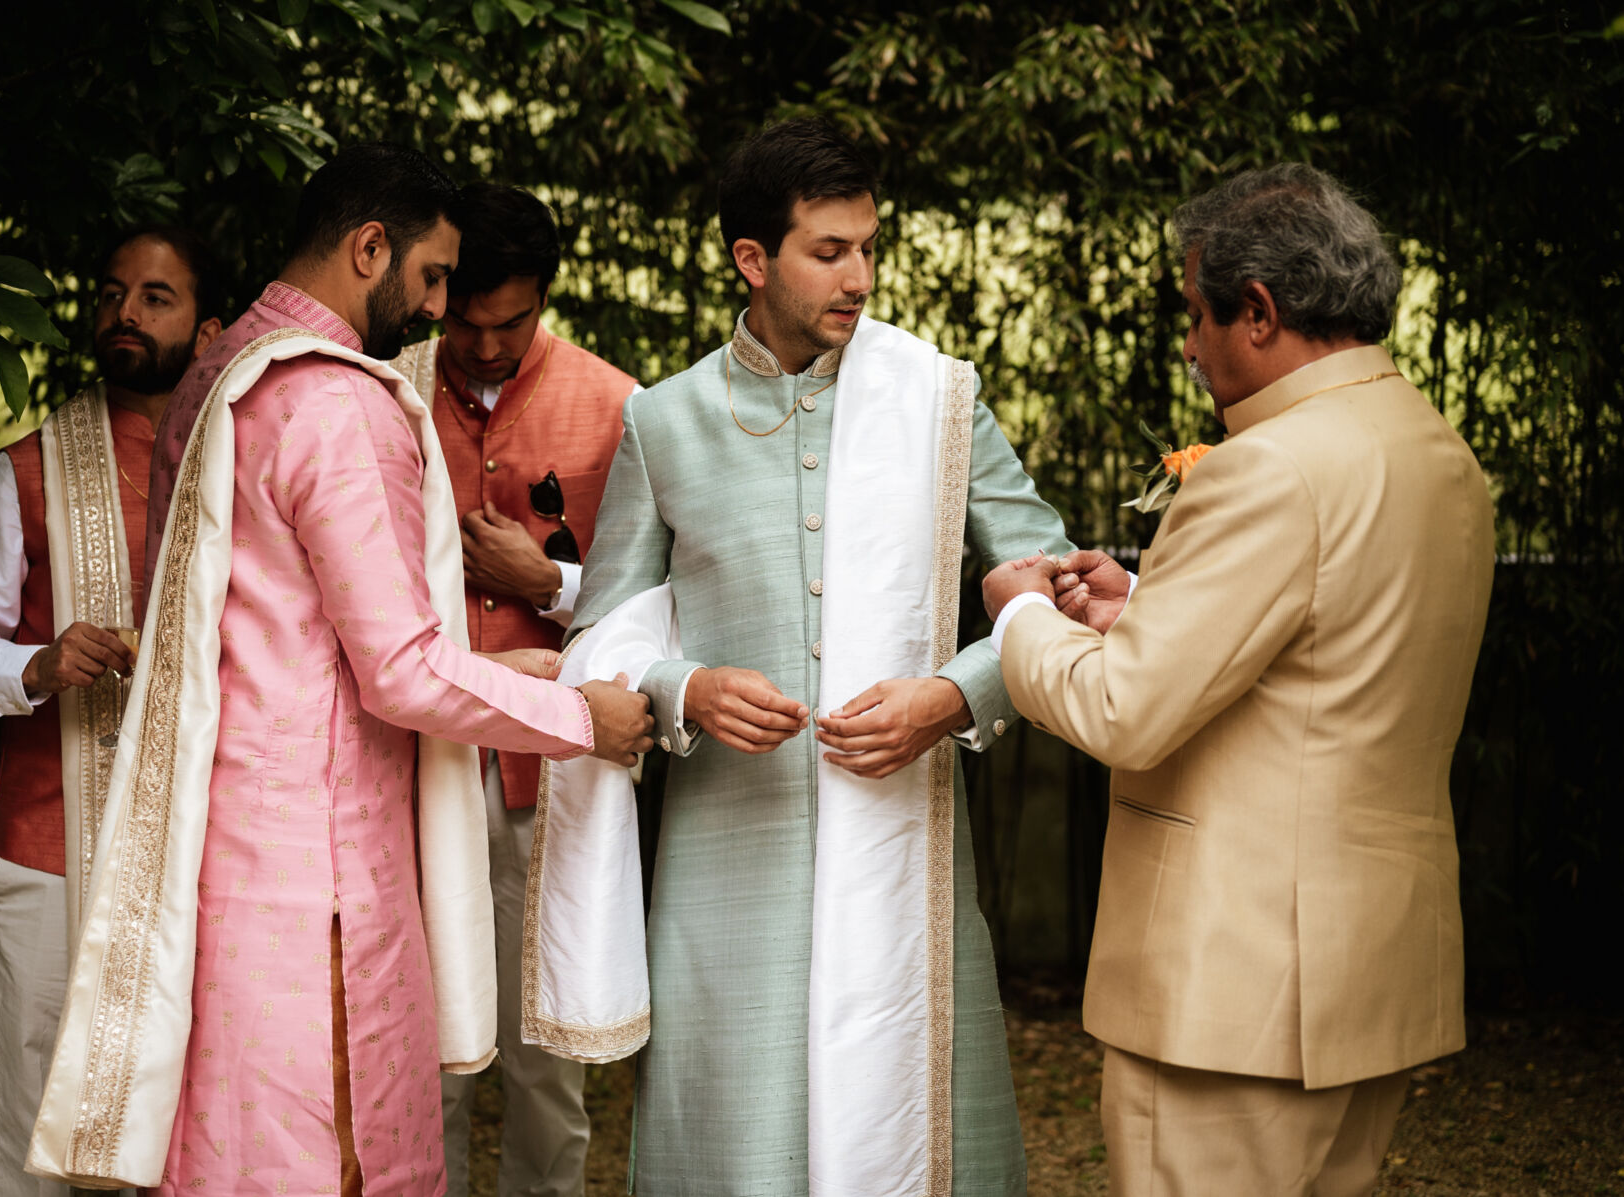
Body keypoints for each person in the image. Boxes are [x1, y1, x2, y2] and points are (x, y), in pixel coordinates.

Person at [26, 144, 653, 1197]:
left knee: (230, 1151)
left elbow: (283, 628)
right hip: (321, 876)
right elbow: (400, 671)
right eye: (433, 276)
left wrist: (532, 666)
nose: (438, 307)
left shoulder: (219, 376)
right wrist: (583, 717)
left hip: (224, 851)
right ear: (372, 248)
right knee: (338, 1157)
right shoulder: (337, 404)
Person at [550, 117, 1070, 1195]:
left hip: (905, 846)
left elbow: (1054, 588)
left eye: (869, 248)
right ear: (753, 259)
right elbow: (602, 634)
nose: (860, 277)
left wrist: (955, 695)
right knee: (737, 1147)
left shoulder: (937, 402)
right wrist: (682, 688)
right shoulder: (667, 420)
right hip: (728, 864)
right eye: (829, 252)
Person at [984, 163, 1495, 1196]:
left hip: (1237, 988)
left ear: (1257, 312)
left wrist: (1020, 616)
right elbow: (1327, 662)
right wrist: (1144, 609)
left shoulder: (1268, 467)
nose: (1187, 345)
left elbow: (1123, 710)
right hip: (1372, 970)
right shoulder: (1439, 453)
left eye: (1195, 315)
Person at [0, 226, 223, 1197]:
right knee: (41, 1128)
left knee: (191, 1129)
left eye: (155, 297)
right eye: (111, 293)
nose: (124, 312)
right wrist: (37, 666)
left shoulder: (248, 473)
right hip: (50, 849)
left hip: (210, 852)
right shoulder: (26, 471)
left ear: (211, 333)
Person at [392, 183, 638, 1196]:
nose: (488, 346)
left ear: (545, 299)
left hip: (555, 768)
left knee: (548, 1051)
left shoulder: (619, 404)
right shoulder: (385, 390)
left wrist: (547, 584)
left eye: (515, 322)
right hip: (413, 762)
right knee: (422, 1037)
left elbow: (657, 598)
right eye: (468, 322)